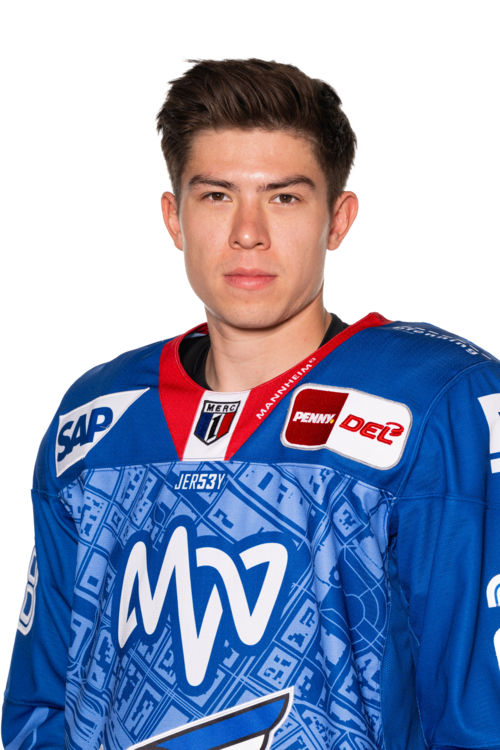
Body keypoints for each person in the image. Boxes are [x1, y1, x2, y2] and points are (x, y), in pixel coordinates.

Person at [2, 54, 499, 750]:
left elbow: (476, 712)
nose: (247, 232)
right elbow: (41, 704)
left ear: (339, 219)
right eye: (216, 196)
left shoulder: (433, 399)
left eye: (284, 198)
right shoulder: (98, 415)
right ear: (174, 218)